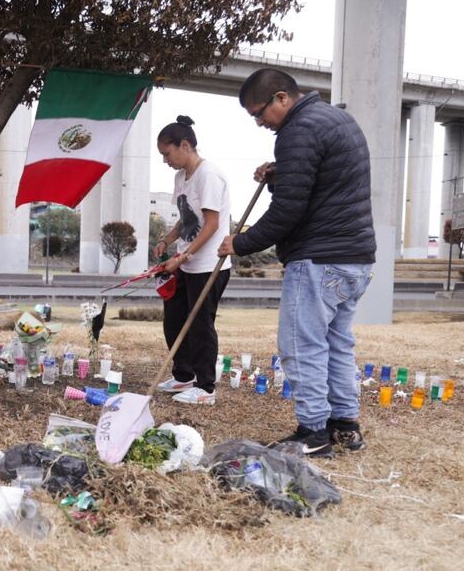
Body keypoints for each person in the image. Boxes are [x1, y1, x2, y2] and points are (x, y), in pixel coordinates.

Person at [217, 68, 375, 457]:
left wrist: (241, 242)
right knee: (337, 344)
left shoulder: (297, 131)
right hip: (356, 257)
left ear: (283, 98)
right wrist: (279, 173)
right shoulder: (336, 118)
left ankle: (314, 432)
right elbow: (323, 183)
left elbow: (288, 211)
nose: (259, 123)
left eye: (259, 113)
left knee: (301, 346)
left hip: (319, 258)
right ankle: (344, 425)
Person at [152, 115, 233, 406]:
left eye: (167, 153)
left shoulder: (208, 175)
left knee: (200, 325)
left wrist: (184, 255)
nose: (166, 160)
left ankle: (206, 387)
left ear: (184, 145)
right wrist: (166, 241)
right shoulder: (180, 178)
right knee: (174, 320)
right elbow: (185, 220)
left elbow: (211, 224)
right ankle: (183, 375)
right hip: (185, 262)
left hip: (209, 264)